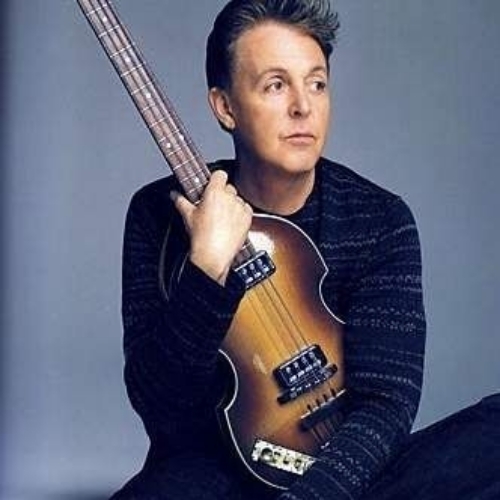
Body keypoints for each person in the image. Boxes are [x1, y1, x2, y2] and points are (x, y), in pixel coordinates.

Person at [110, 1, 500, 499]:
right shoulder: (157, 215)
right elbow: (164, 412)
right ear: (225, 107)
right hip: (219, 471)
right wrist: (206, 268)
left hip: (354, 469)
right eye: (276, 85)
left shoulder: (380, 219)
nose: (303, 106)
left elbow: (385, 405)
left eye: (316, 83)